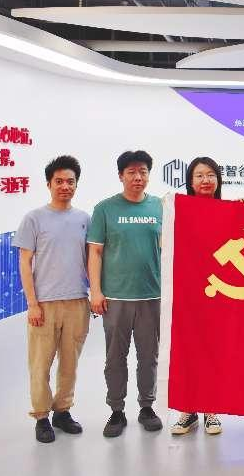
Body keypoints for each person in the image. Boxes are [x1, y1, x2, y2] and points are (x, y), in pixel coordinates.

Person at [13, 155, 91, 443]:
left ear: (76, 185)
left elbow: (92, 260)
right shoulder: (34, 218)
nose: (65, 186)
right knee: (40, 364)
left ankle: (62, 410)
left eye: (70, 181)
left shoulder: (84, 220)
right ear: (49, 184)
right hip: (44, 304)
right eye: (59, 181)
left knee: (70, 364)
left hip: (77, 302)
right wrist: (32, 304)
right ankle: (42, 416)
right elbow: (24, 262)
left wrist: (95, 293)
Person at [88, 150, 164, 438]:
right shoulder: (105, 209)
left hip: (151, 296)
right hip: (116, 297)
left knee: (149, 356)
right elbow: (95, 252)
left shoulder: (159, 207)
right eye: (131, 172)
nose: (137, 177)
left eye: (143, 171)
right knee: (115, 358)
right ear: (121, 176)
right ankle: (117, 411)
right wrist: (95, 291)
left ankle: (147, 407)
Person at [170, 156, 224, 437]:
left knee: (213, 352)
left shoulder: (228, 210)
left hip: (220, 294)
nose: (206, 180)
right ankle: (188, 411)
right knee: (187, 351)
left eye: (211, 174)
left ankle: (211, 410)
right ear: (190, 181)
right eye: (200, 175)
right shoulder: (179, 210)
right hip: (188, 294)